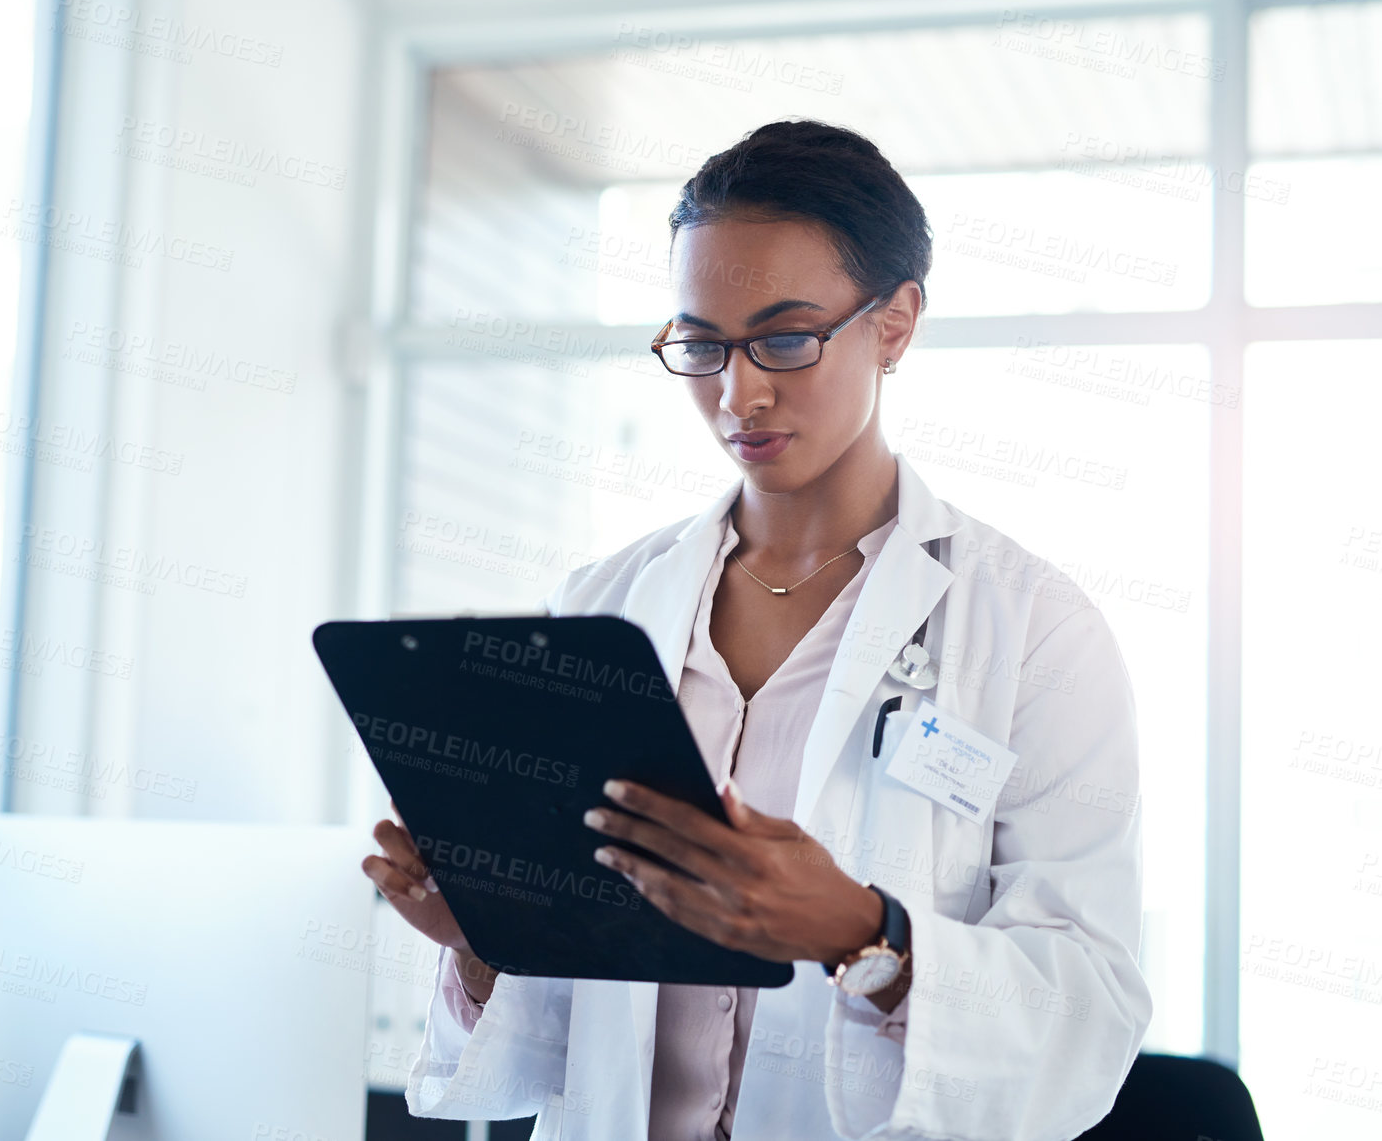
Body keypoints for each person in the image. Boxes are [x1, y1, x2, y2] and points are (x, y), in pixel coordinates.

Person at [362, 119, 1151, 1141]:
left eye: (785, 338)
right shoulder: (603, 602)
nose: (739, 394)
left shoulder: (1034, 629)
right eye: (701, 344)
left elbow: (1092, 1007)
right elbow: (567, 1017)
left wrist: (871, 941)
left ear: (897, 322)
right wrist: (481, 941)